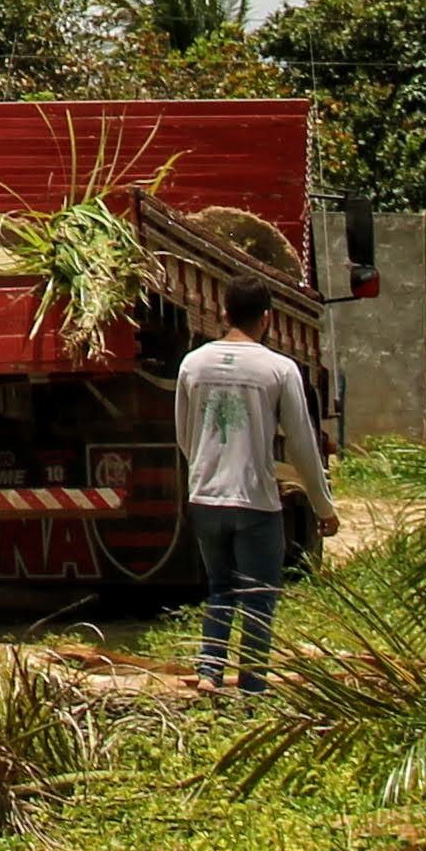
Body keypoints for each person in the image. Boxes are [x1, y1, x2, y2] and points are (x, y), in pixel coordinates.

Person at [176, 277, 338, 695]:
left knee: (220, 588)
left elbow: (184, 434)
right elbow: (303, 446)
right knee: (259, 596)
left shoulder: (193, 365)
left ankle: (210, 671)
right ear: (267, 318)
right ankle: (251, 686)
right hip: (255, 501)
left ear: (223, 313)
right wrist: (324, 508)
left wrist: (204, 470)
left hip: (206, 498)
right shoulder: (279, 369)